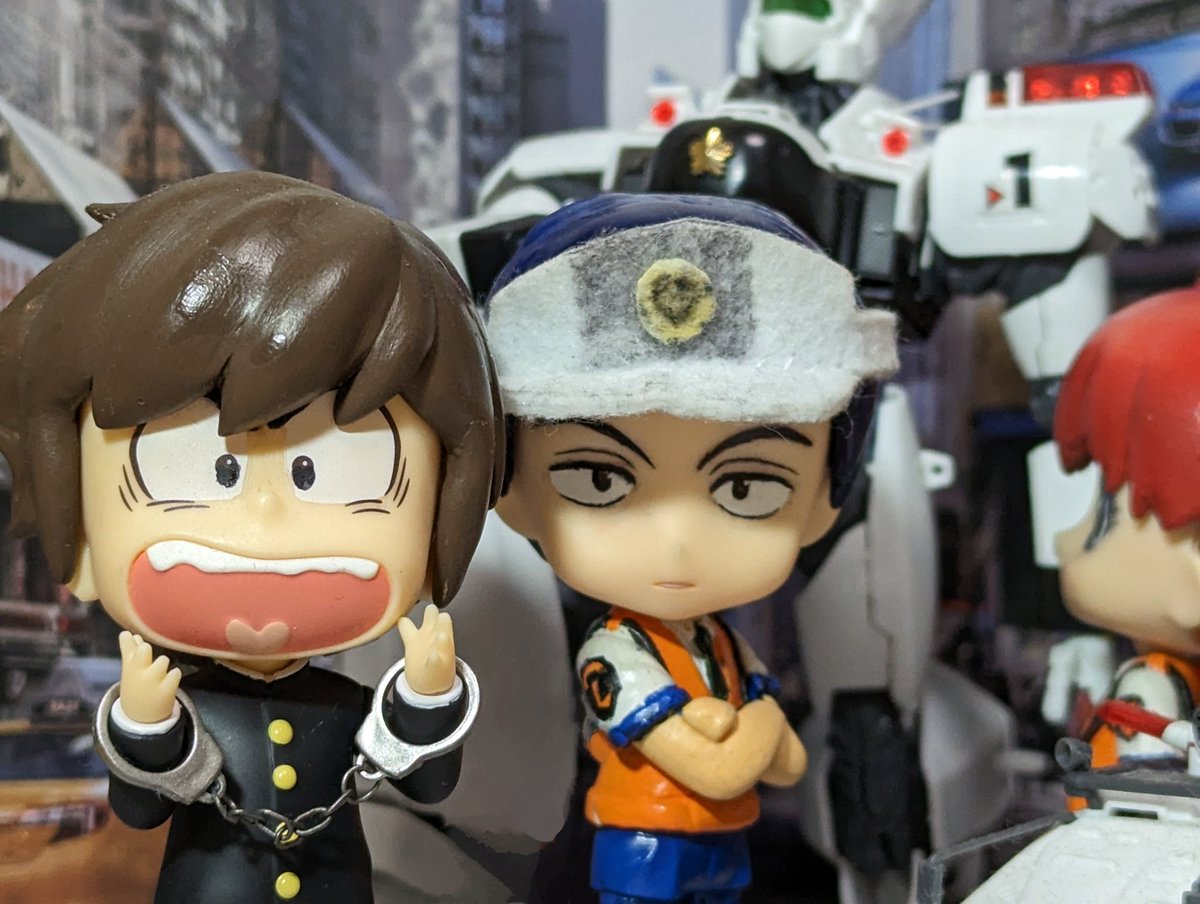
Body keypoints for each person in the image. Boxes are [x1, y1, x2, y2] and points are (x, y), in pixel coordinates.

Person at [0, 171, 503, 903]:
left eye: (327, 469)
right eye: (207, 468)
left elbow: (429, 784)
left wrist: (426, 697)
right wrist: (146, 721)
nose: (266, 518)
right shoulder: (184, 703)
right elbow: (139, 810)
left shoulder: (344, 703)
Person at [485, 192, 898, 904]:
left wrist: (740, 730)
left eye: (746, 488)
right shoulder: (614, 652)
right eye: (601, 480)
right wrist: (754, 723)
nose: (677, 544)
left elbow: (788, 765)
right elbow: (720, 769)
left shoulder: (720, 645)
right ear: (514, 492)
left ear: (822, 500)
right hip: (645, 845)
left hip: (722, 841)